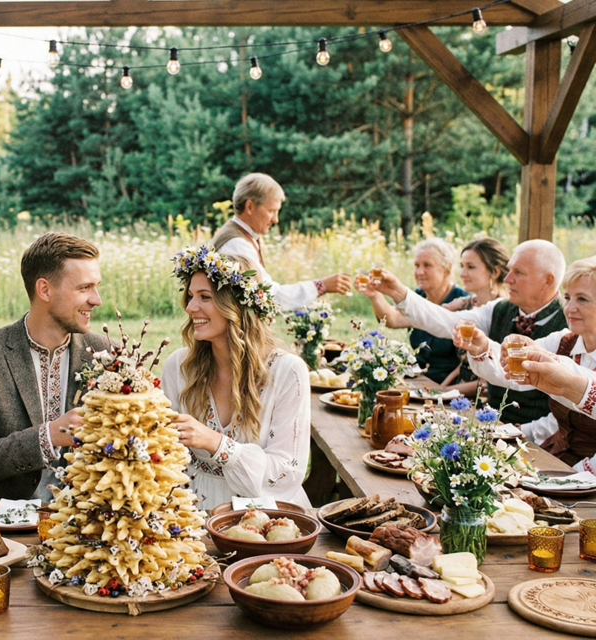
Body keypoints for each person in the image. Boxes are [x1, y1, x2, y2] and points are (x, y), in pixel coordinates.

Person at [0, 232, 110, 509]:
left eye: (96, 287)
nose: (97, 300)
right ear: (45, 290)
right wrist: (47, 437)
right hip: (0, 522)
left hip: (88, 520)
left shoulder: (107, 353)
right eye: (84, 288)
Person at [162, 247, 311, 509]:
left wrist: (218, 444)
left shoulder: (287, 372)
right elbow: (164, 454)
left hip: (264, 514)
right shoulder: (178, 366)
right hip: (191, 511)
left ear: (237, 306)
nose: (190, 307)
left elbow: (287, 473)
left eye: (204, 297)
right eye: (190, 296)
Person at [369, 239, 567, 425]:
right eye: (509, 270)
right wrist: (398, 292)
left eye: (518, 272)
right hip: (492, 423)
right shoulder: (499, 308)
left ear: (548, 280)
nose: (507, 279)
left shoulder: (569, 323)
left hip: (540, 439)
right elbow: (445, 321)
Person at [455, 257, 596, 469]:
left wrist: (575, 477)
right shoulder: (564, 340)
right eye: (567, 297)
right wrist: (483, 348)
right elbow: (515, 372)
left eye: (582, 299)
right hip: (558, 457)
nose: (569, 308)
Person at [211, 173, 351, 309]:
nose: (275, 219)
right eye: (271, 211)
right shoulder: (236, 244)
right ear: (250, 207)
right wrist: (321, 286)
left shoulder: (239, 236)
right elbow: (268, 296)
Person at [359, 238, 470, 385]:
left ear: (447, 268)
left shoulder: (463, 301)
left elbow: (466, 365)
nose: (419, 272)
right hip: (416, 380)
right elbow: (392, 319)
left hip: (449, 387)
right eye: (416, 265)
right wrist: (374, 294)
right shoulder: (418, 297)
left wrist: (440, 391)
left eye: (427, 265)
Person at [439, 238, 510, 396]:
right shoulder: (467, 304)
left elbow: (492, 378)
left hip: (484, 400)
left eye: (470, 267)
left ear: (495, 272)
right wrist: (440, 387)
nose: (463, 274)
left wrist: (441, 392)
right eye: (462, 266)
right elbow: (464, 363)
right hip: (457, 391)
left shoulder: (503, 312)